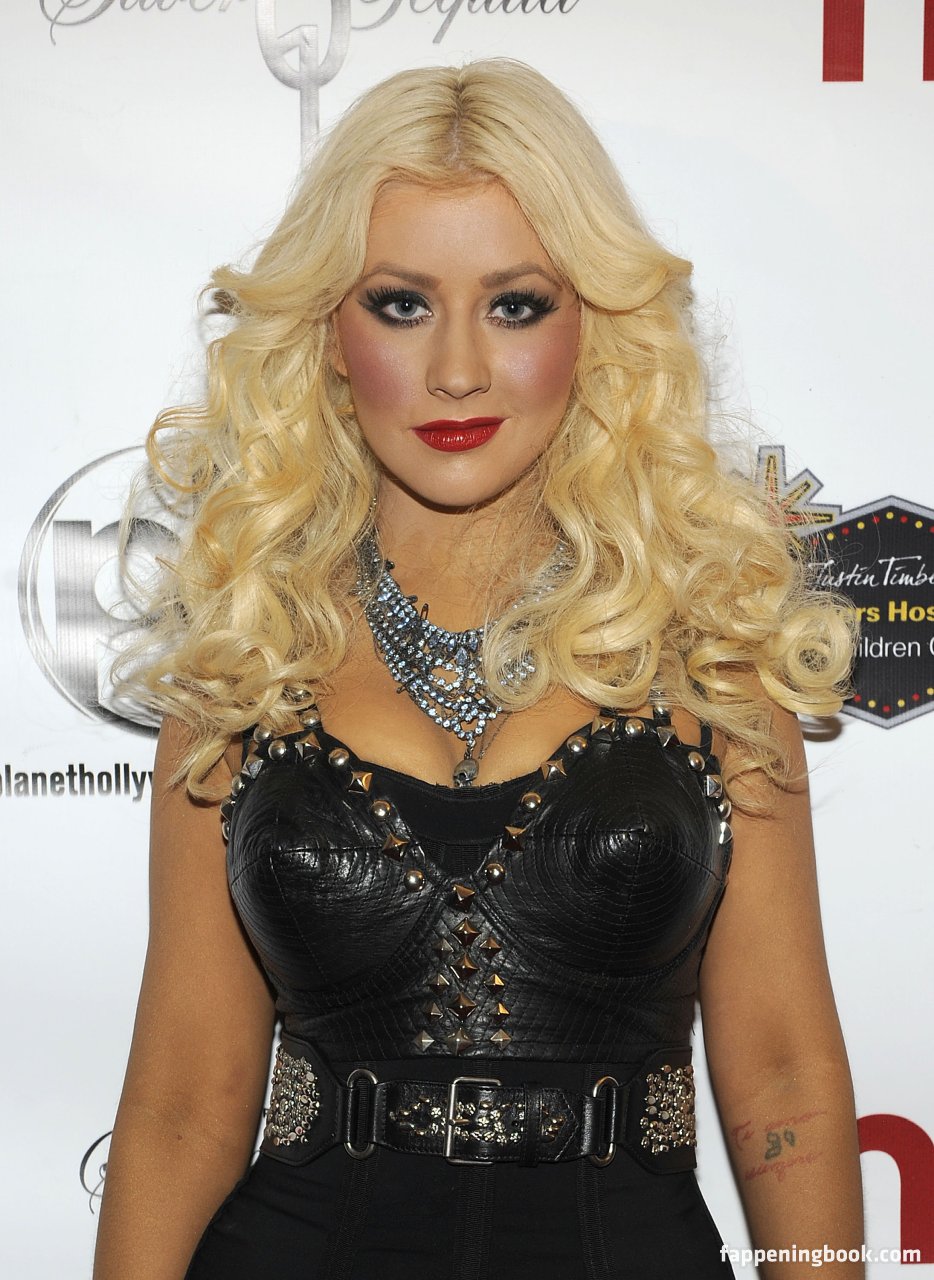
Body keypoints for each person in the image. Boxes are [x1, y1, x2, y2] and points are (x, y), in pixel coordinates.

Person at [93, 60, 863, 1280]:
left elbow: (783, 1082)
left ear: (590, 326)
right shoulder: (246, 667)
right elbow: (184, 1102)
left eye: (514, 304)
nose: (456, 367)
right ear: (330, 336)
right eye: (401, 303)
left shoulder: (712, 661)